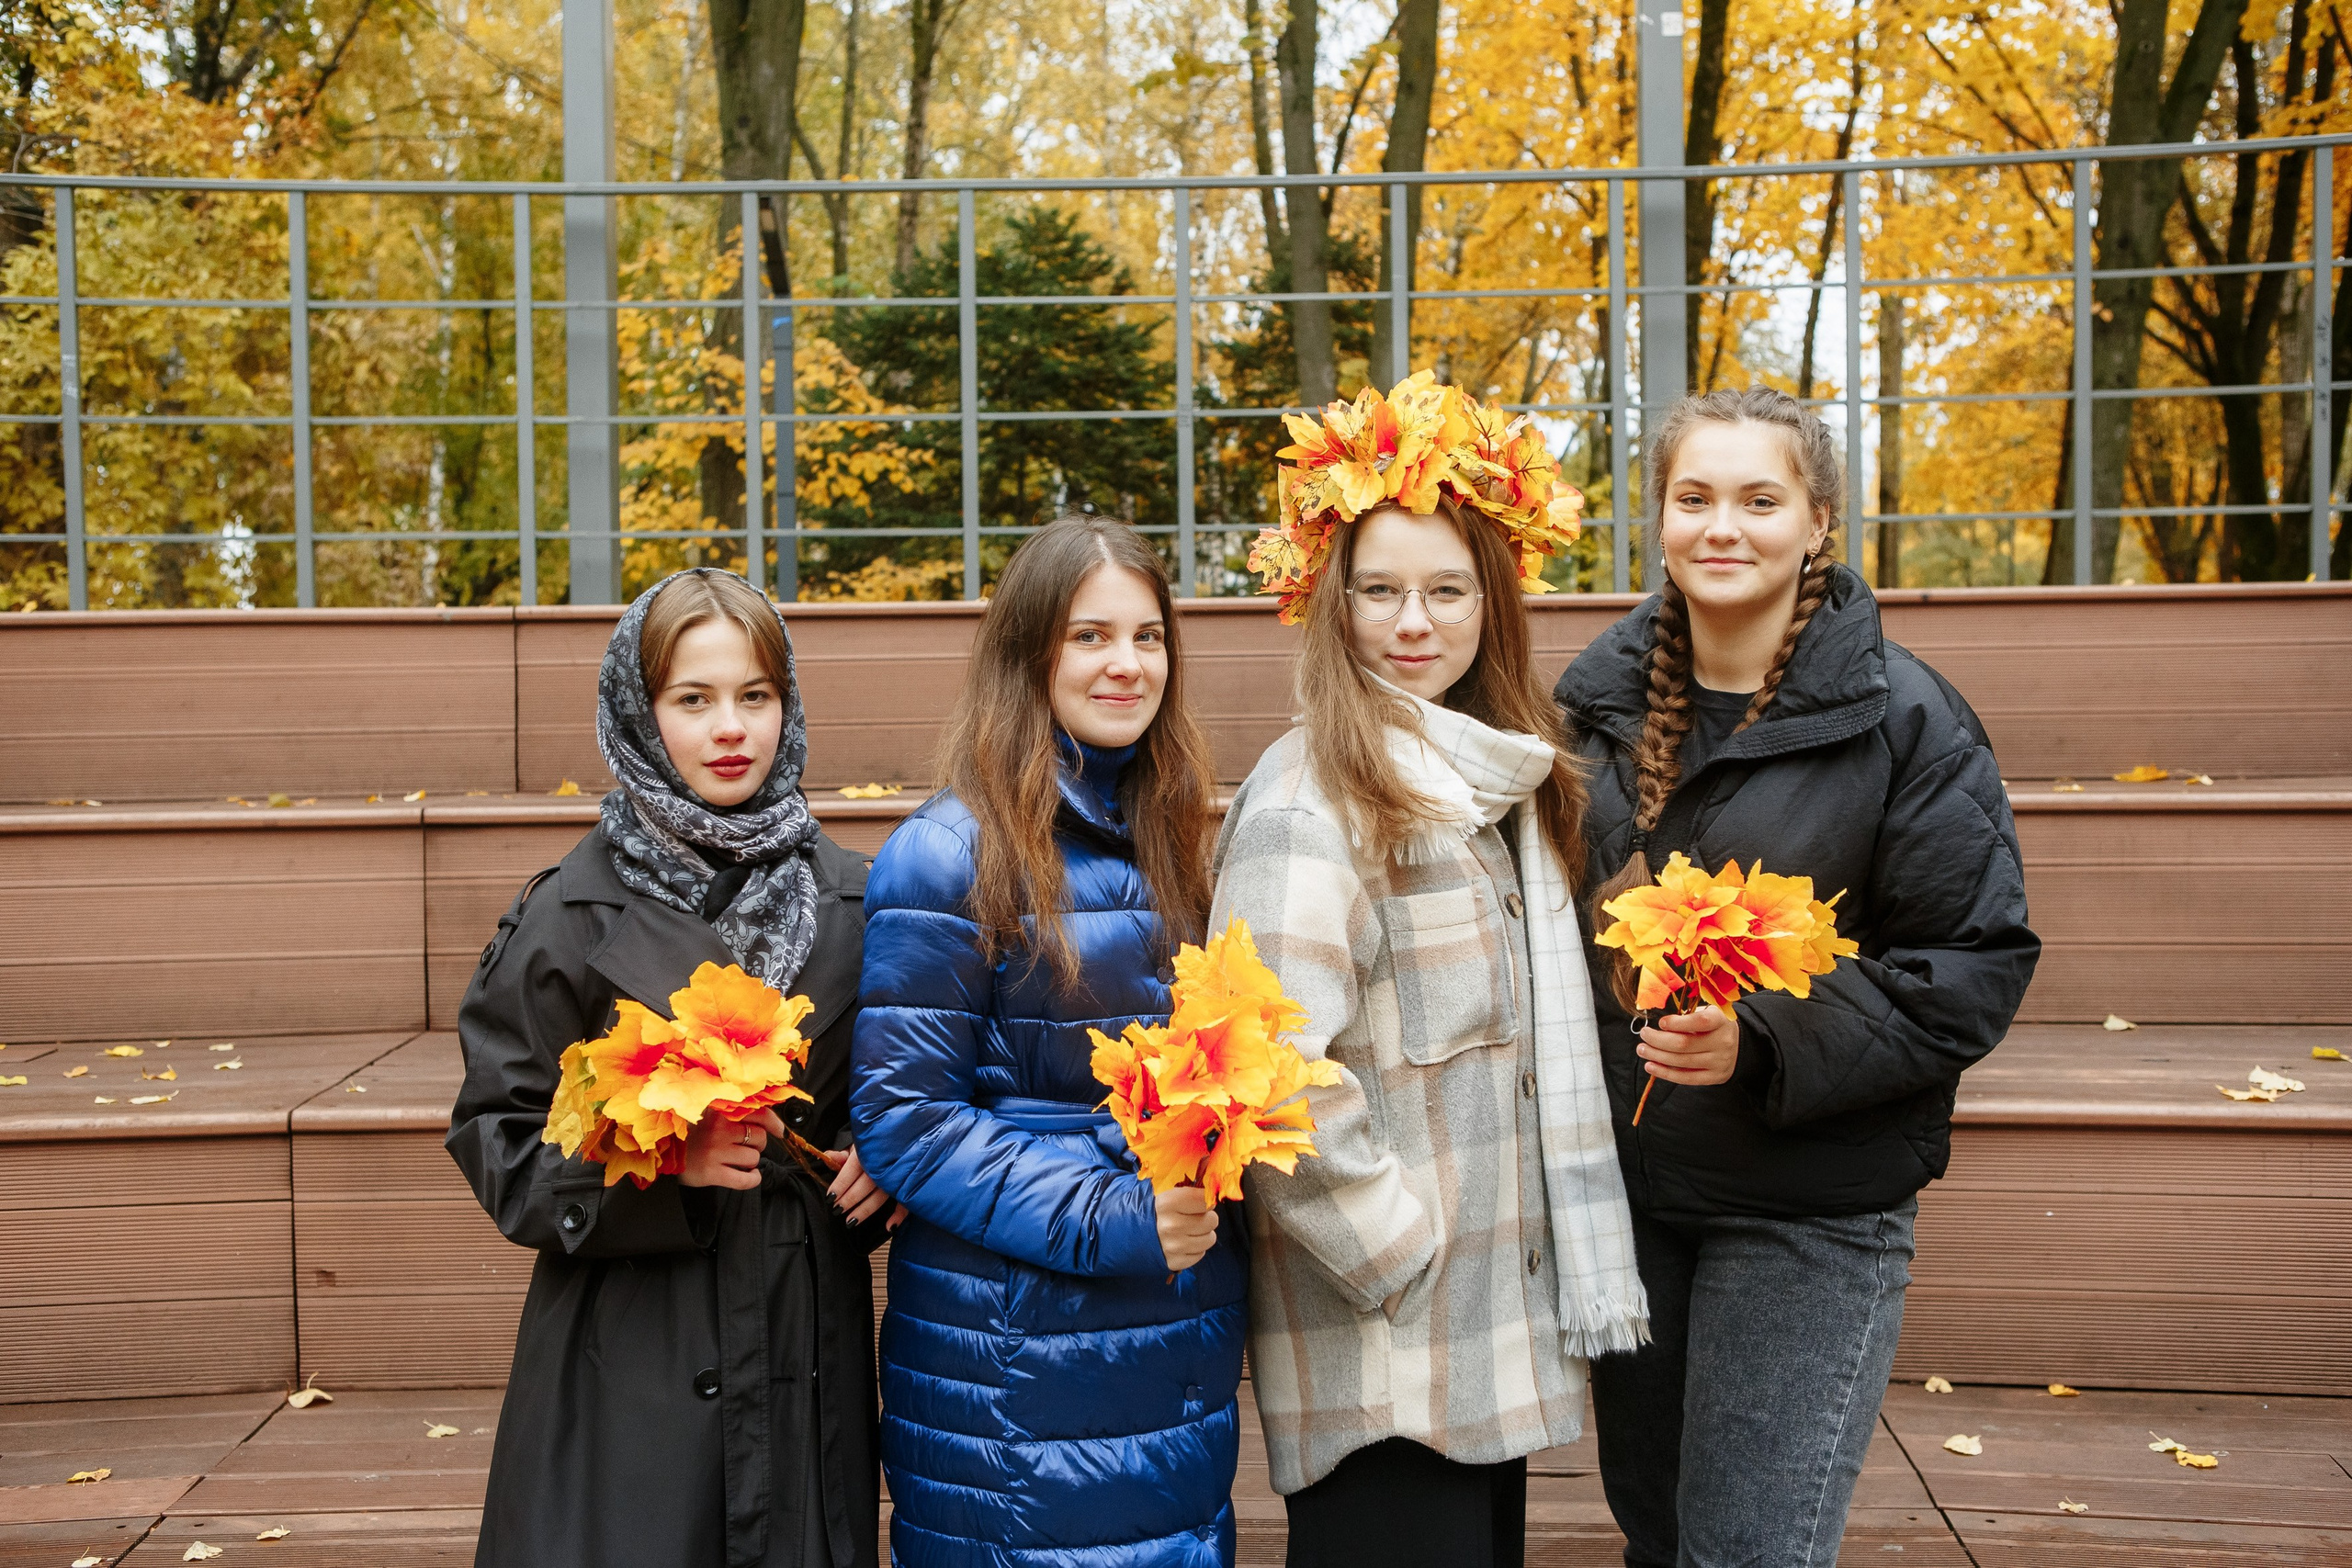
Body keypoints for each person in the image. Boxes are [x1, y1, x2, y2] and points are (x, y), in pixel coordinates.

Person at [1555, 387, 2040, 1567]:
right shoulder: (1588, 710)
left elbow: (1970, 965)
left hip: (1807, 1209)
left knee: (1748, 1554)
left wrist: (1764, 1036)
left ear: (1818, 521)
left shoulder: (1907, 720)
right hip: (1631, 1203)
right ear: (1659, 518)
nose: (1722, 527)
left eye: (1759, 500)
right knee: (1660, 1540)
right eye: (1694, 497)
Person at [1210, 373, 1648, 1568]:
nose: (1415, 621)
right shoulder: (1312, 804)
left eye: (1447, 589)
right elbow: (1265, 1068)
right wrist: (1400, 1257)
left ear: (1490, 604)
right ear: (1335, 604)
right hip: (1386, 1361)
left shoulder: (1485, 789)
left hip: (1479, 1350)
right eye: (1381, 590)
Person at [447, 567, 895, 1568]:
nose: (730, 728)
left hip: (802, 1362)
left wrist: (887, 1157)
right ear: (638, 713)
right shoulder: (568, 913)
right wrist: (661, 1170)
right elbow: (497, 1134)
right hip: (628, 1369)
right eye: (692, 700)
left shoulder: (857, 903)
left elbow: (897, 1091)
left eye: (755, 696)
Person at [849, 513, 1240, 1568]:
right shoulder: (948, 851)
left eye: (1148, 637)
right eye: (1089, 637)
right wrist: (1115, 1215)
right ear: (1028, 655)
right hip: (1016, 1351)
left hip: (1172, 1332)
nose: (1127, 664)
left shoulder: (1170, 835)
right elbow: (905, 1122)